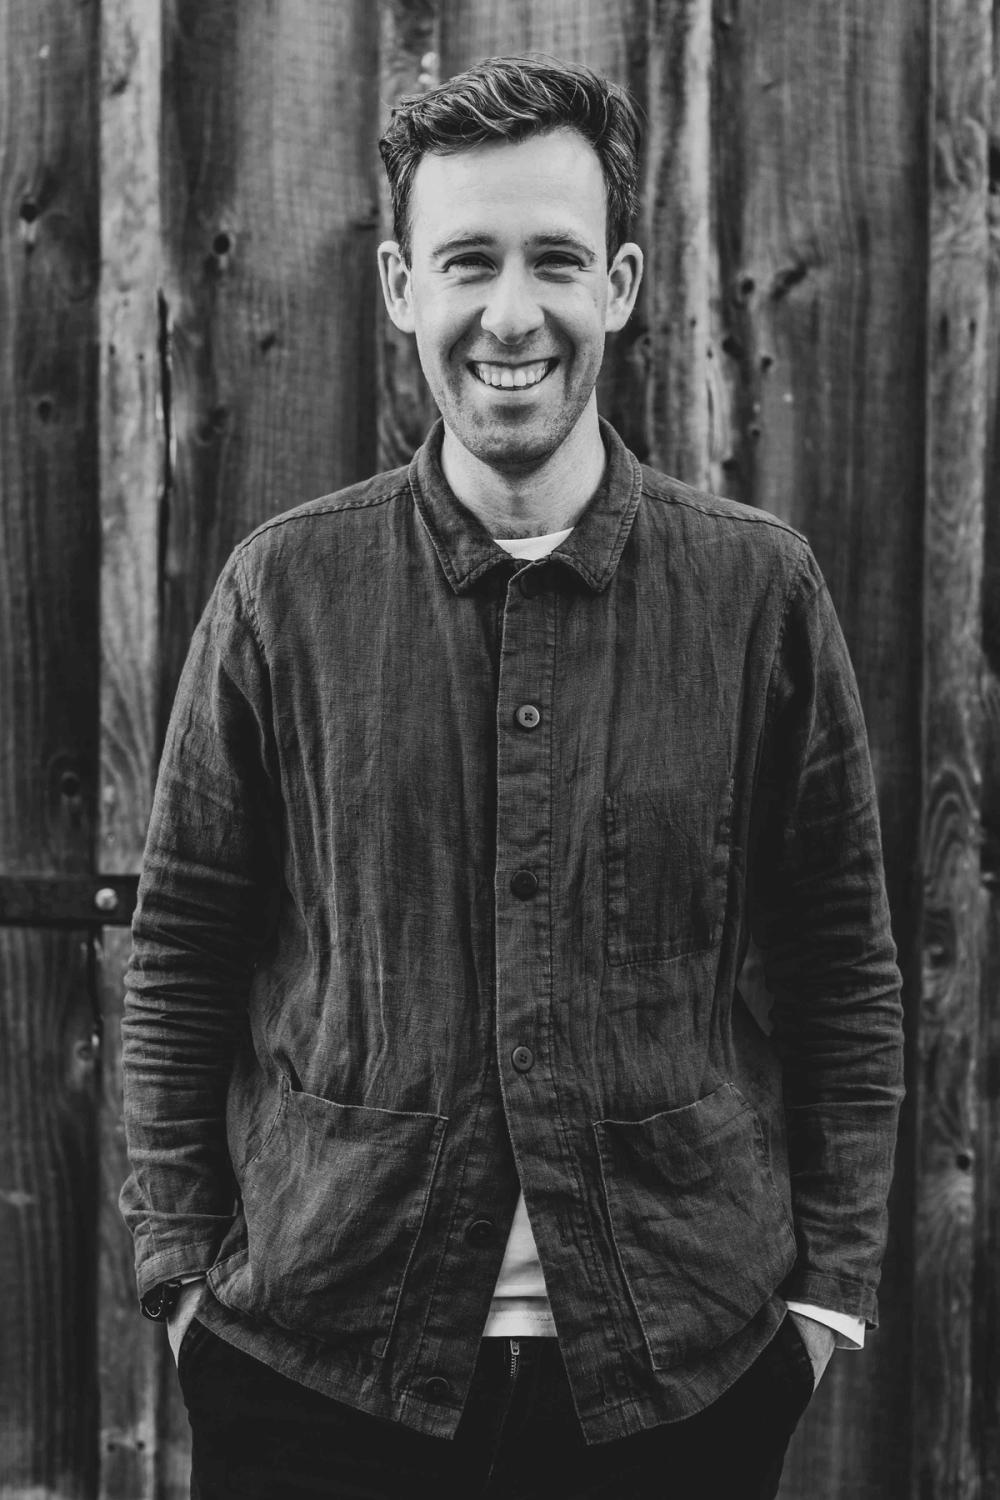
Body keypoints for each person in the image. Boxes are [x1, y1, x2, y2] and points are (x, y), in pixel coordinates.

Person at [120, 54, 904, 1500]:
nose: (511, 312)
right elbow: (180, 954)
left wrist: (824, 1305)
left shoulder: (758, 597)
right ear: (400, 285)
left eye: (555, 259)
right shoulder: (283, 594)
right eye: (468, 260)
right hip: (315, 1376)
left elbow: (843, 965)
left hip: (679, 1384)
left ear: (619, 283)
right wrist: (181, 1281)